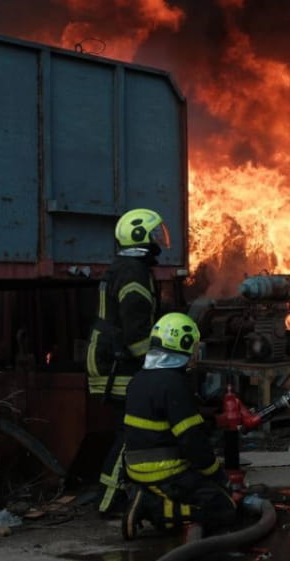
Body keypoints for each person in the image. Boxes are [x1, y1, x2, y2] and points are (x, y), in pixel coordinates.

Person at [121, 312, 237, 537]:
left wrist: (210, 419)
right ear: (183, 345)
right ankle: (151, 506)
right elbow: (192, 441)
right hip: (166, 473)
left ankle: (149, 499)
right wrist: (217, 474)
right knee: (225, 508)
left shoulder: (138, 380)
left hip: (135, 471)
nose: (196, 352)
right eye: (193, 346)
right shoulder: (174, 384)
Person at [87, 208, 169, 516]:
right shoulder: (133, 273)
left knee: (135, 428)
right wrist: (162, 366)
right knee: (133, 432)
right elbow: (137, 337)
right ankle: (109, 501)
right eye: (156, 234)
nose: (160, 240)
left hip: (113, 360)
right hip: (115, 367)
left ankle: (134, 491)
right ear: (141, 237)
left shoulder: (128, 267)